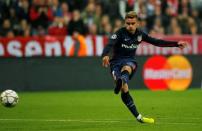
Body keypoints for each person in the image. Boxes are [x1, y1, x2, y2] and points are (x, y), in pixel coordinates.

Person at [101, 11, 187, 124]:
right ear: (124, 23)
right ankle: (138, 117)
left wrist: (176, 44)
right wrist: (105, 55)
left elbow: (157, 42)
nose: (130, 26)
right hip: (115, 63)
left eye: (132, 23)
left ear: (137, 23)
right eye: (127, 23)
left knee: (127, 68)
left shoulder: (140, 35)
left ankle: (121, 80)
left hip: (129, 61)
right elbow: (109, 44)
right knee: (124, 90)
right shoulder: (119, 33)